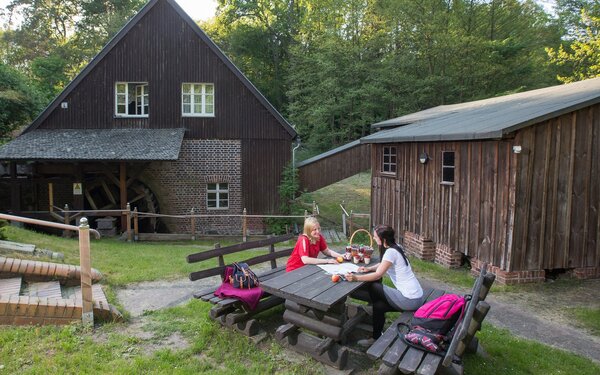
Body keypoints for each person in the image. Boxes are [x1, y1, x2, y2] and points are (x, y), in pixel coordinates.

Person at [345, 225, 423, 347]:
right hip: (416, 297)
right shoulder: (396, 248)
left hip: (409, 299)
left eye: (376, 237)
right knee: (379, 306)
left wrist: (356, 278)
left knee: (375, 286)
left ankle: (360, 300)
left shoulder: (391, 252)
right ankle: (375, 337)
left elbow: (377, 275)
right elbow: (382, 264)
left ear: (383, 239)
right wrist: (368, 268)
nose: (374, 239)